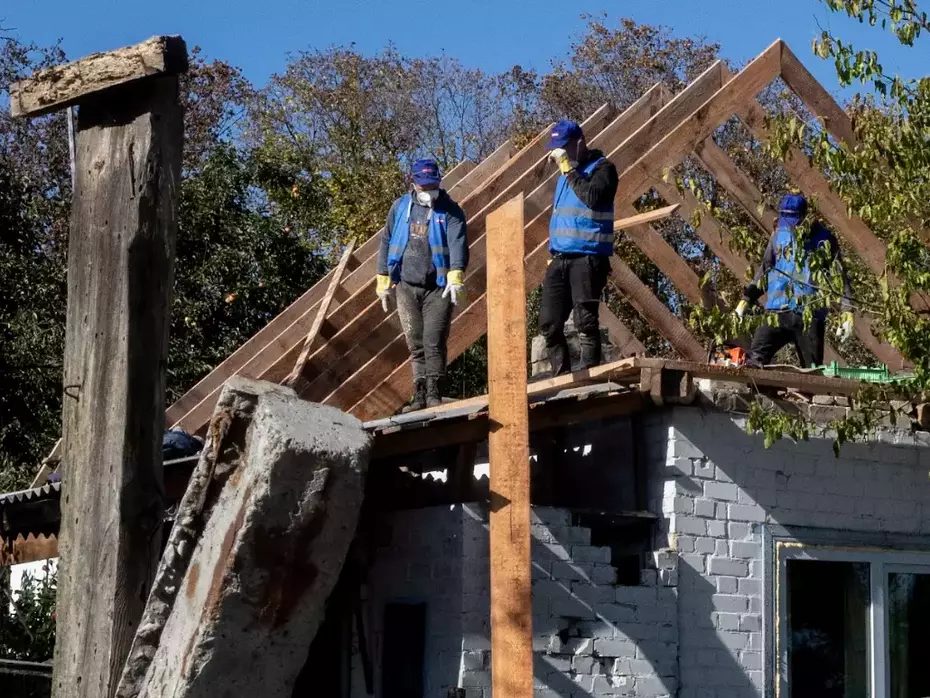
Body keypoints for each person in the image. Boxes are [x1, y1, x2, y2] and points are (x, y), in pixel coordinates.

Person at [376, 158, 468, 411]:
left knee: (433, 340)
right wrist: (383, 276)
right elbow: (386, 240)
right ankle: (419, 394)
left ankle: (434, 392)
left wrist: (456, 272)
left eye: (432, 185)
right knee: (415, 342)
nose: (428, 191)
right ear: (413, 182)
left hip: (437, 286)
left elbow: (457, 240)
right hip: (406, 285)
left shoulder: (450, 211)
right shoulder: (400, 207)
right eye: (423, 186)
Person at [736, 193, 855, 368]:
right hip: (776, 312)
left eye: (795, 221)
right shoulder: (778, 236)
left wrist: (847, 312)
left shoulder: (824, 239)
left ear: (805, 217)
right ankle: (757, 393)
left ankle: (808, 393)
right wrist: (745, 302)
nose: (791, 226)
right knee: (754, 361)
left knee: (811, 371)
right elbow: (765, 271)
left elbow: (840, 277)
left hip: (809, 315)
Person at [539, 120, 618, 376]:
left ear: (580, 143)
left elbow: (593, 198)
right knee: (549, 323)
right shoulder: (565, 178)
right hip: (560, 257)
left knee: (585, 319)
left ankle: (589, 371)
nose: (560, 153)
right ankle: (561, 374)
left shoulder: (603, 169)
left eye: (564, 147)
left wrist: (567, 170)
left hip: (587, 256)